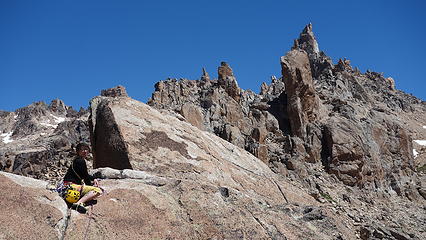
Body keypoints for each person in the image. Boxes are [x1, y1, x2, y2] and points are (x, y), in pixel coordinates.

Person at [62, 143, 103, 213]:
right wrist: (90, 187)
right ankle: (78, 203)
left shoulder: (76, 160)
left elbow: (84, 174)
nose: (85, 151)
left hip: (67, 186)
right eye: (82, 149)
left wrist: (93, 179)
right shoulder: (80, 161)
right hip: (72, 186)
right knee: (98, 191)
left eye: (86, 149)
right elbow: (86, 177)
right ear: (78, 151)